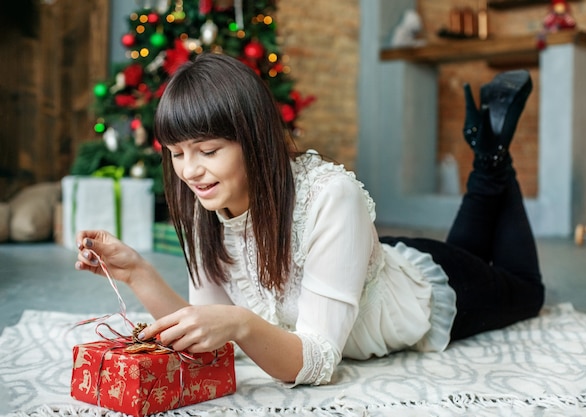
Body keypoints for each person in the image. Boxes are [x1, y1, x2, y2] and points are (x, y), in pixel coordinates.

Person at [75, 53, 544, 386]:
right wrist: (136, 270)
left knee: (526, 289)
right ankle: (487, 151)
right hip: (348, 264)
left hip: (426, 291)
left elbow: (318, 362)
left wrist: (241, 322)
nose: (189, 170)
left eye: (209, 150)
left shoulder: (330, 196)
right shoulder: (206, 204)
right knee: (471, 248)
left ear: (254, 139)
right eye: (176, 154)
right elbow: (208, 336)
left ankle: (493, 155)